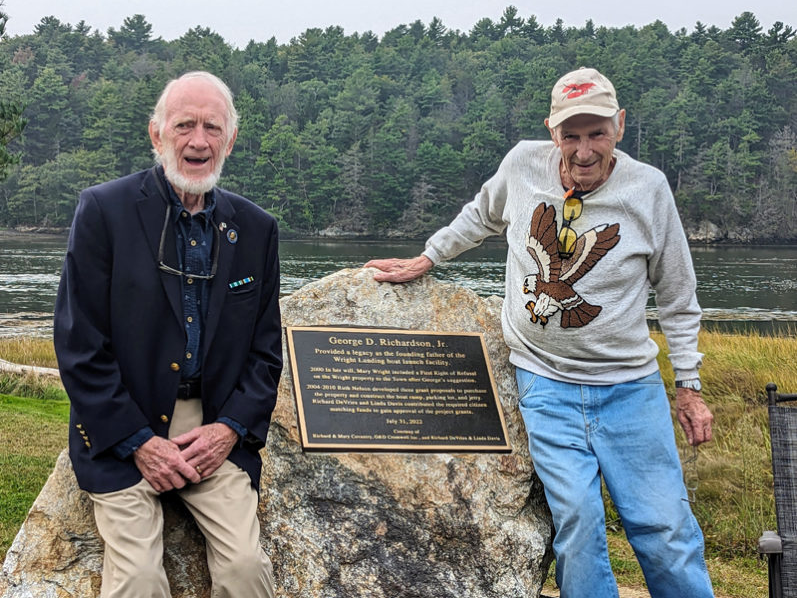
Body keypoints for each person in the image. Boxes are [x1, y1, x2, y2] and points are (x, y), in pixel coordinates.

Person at [366, 67, 714, 597]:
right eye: (570, 135)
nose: (583, 150)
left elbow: (677, 294)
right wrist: (429, 256)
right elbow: (480, 216)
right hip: (545, 384)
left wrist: (687, 385)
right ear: (552, 132)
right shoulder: (523, 165)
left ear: (619, 126)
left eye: (597, 132)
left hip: (630, 389)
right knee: (577, 527)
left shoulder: (649, 190)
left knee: (664, 529)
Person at [54, 71, 282, 598]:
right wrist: (138, 443)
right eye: (184, 125)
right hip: (122, 429)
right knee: (136, 578)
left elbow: (266, 354)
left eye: (211, 128)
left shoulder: (256, 228)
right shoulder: (103, 211)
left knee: (247, 569)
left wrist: (227, 430)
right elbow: (78, 344)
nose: (198, 141)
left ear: (230, 140)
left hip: (213, 429)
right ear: (156, 134)